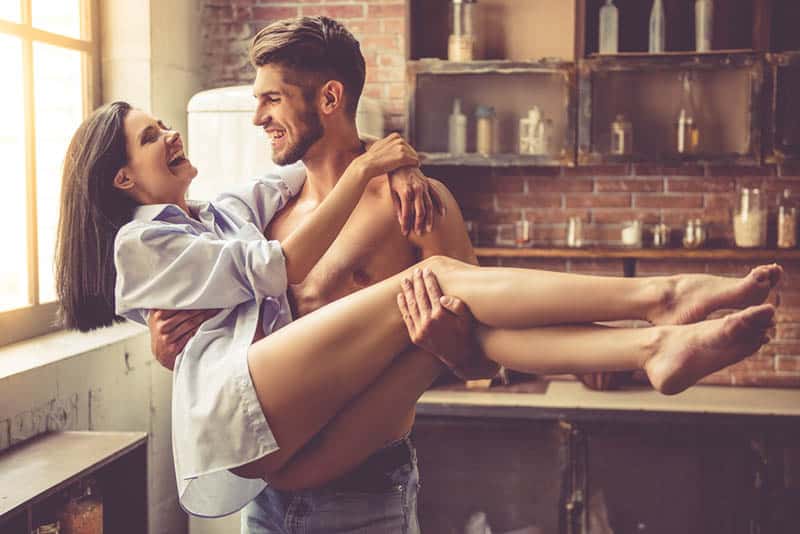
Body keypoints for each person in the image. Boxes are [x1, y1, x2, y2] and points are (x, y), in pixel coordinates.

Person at [57, 18, 781, 534]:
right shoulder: (260, 211)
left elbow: (479, 352)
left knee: (428, 305)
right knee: (414, 307)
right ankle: (657, 317)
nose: (257, 119)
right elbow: (215, 312)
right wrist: (166, 343)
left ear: (328, 99)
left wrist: (443, 343)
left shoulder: (414, 203)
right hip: (268, 499)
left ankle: (657, 329)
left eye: (271, 99)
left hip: (363, 491)